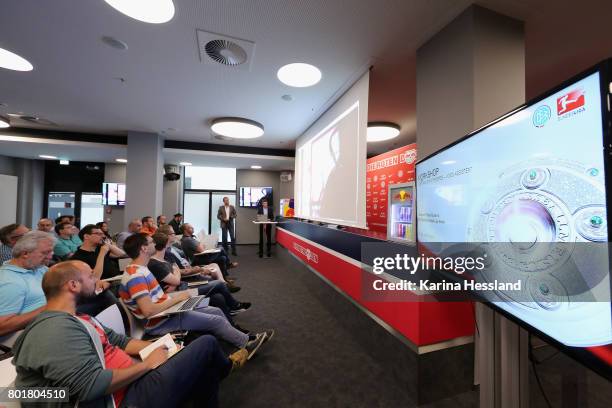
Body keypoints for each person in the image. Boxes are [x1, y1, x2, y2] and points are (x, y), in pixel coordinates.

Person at [12, 260, 246, 408]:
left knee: (200, 364)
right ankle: (224, 367)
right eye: (90, 276)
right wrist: (147, 364)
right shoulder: (54, 330)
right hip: (124, 398)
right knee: (205, 345)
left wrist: (157, 347)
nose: (98, 280)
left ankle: (215, 371)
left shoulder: (78, 318)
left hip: (129, 381)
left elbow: (119, 341)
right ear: (73, 285)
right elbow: (89, 387)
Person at [119, 233, 271, 354]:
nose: (154, 244)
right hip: (160, 321)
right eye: (151, 242)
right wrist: (179, 298)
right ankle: (246, 343)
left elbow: (156, 299)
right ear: (144, 249)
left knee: (216, 310)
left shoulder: (140, 269)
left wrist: (177, 299)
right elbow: (148, 310)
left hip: (167, 312)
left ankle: (240, 338)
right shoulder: (136, 276)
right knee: (216, 320)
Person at [148, 233, 250, 321]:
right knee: (218, 283)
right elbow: (176, 280)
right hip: (181, 292)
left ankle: (232, 320)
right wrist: (176, 276)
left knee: (218, 297)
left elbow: (176, 276)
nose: (174, 236)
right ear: (165, 243)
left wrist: (176, 276)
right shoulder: (156, 263)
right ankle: (234, 305)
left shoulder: (166, 256)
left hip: (182, 287)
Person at [0, 231, 54, 336]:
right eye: (45, 253)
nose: (50, 257)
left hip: (51, 323)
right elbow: (2, 327)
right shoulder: (9, 282)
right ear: (25, 253)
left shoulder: (39, 268)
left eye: (51, 252)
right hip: (27, 336)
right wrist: (52, 306)